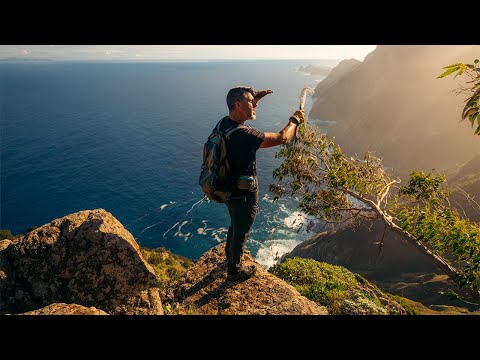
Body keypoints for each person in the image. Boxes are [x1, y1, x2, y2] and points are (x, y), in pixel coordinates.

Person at [219, 86, 305, 282]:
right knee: (241, 231)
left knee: (235, 225)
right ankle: (234, 270)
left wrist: (254, 98)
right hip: (244, 195)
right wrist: (295, 120)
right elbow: (283, 138)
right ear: (238, 105)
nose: (255, 105)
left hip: (228, 189)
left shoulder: (224, 124)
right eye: (251, 101)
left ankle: (229, 256)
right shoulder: (246, 135)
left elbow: (242, 106)